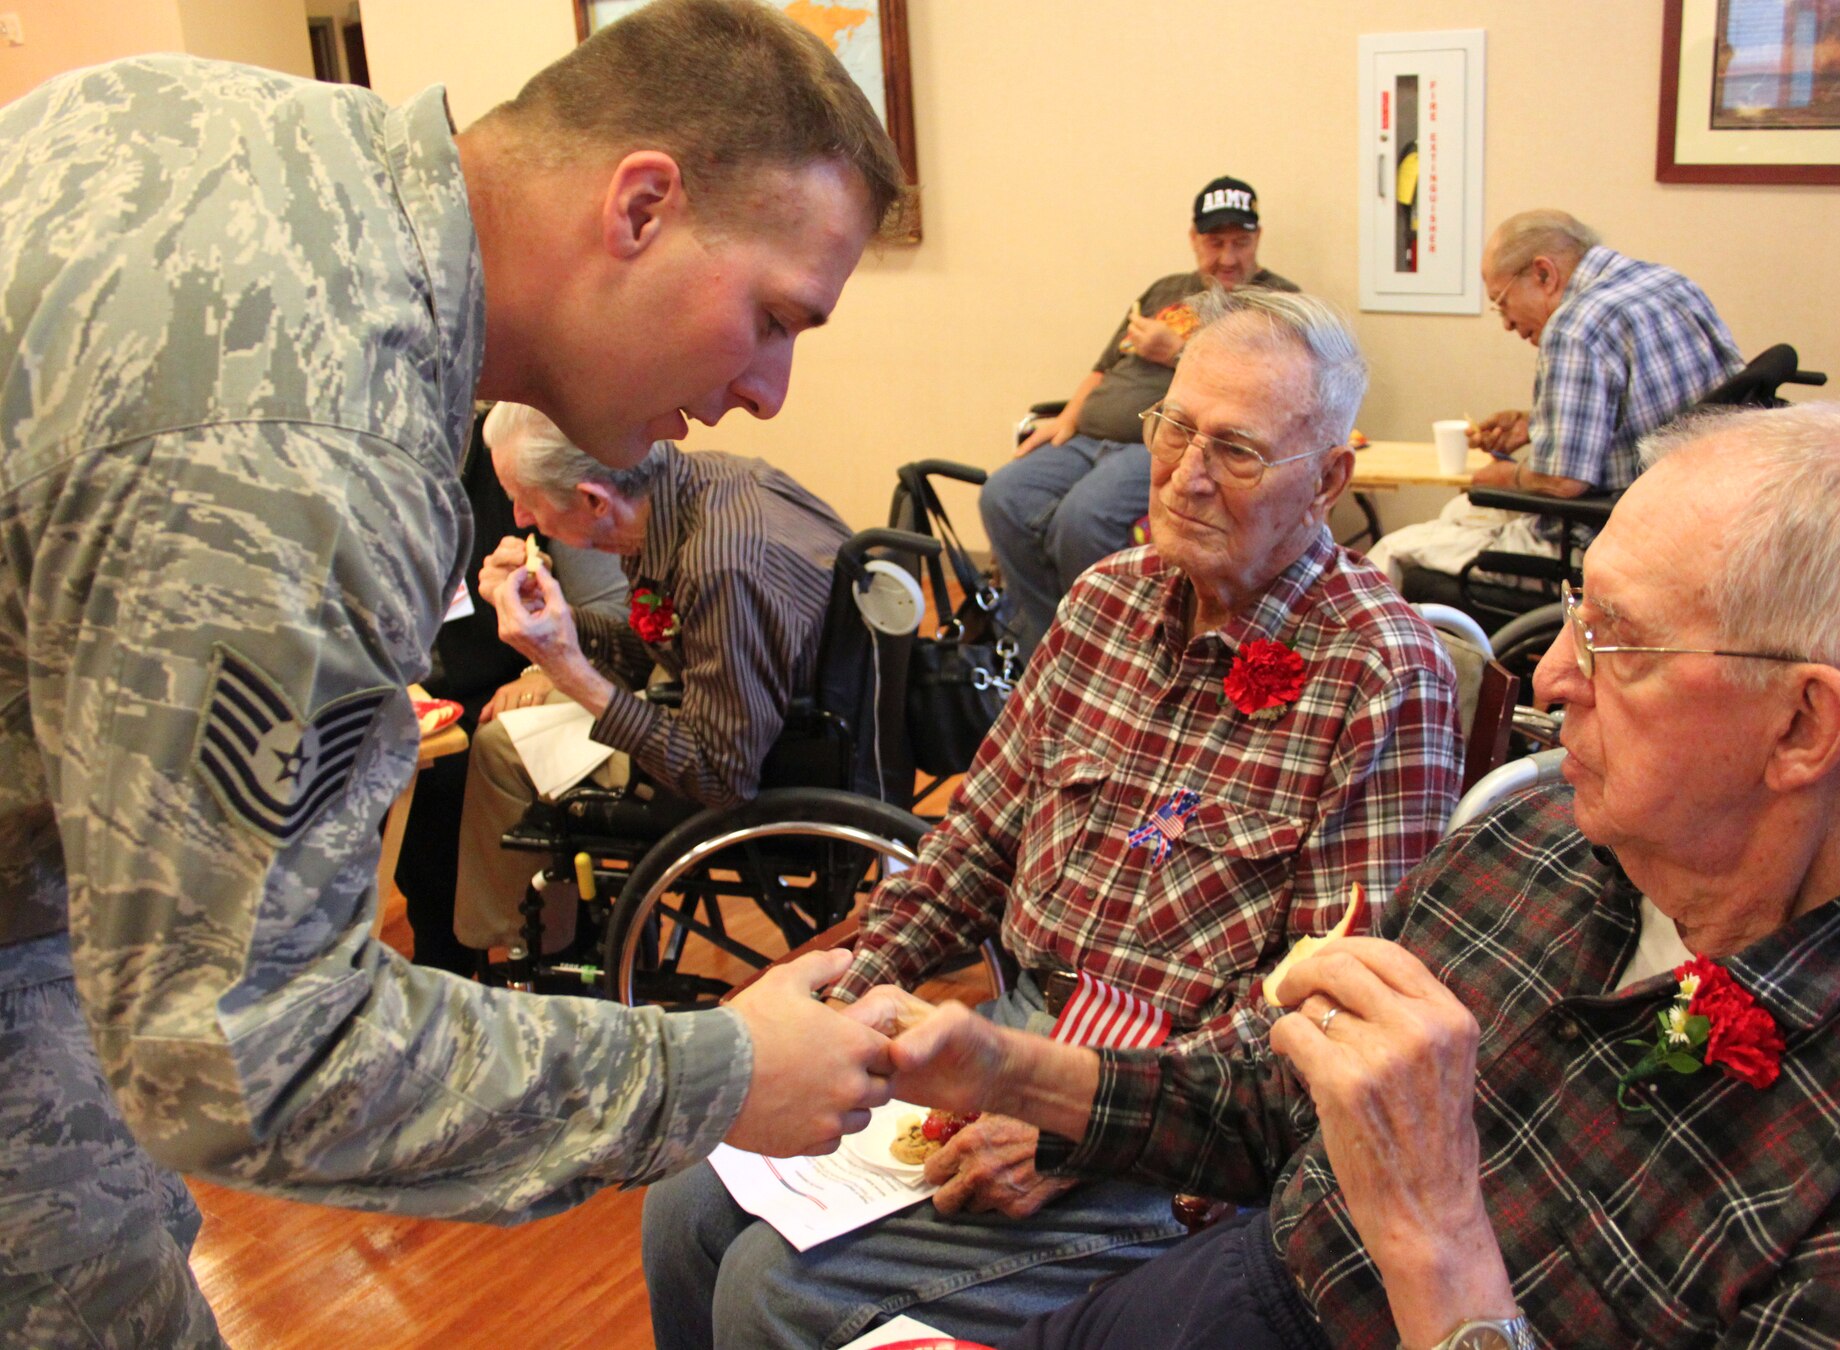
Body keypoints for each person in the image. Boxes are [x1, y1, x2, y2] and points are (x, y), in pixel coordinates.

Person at [0, 2, 907, 1342]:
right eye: (773, 318)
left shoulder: (186, 119)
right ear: (641, 206)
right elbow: (246, 1050)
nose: (767, 390)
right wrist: (719, 1071)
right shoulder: (313, 442)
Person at [884, 401, 1840, 1348]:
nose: (1550, 673)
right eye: (1576, 613)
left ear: (1800, 725)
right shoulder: (1535, 844)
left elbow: (1413, 1213)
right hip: (1233, 1289)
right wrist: (1004, 1068)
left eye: (1617, 638)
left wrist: (1435, 1242)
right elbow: (1277, 1101)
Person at [645, 287, 1465, 1348]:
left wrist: (1075, 1126)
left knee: (776, 1292)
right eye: (1172, 430)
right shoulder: (1104, 603)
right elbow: (969, 849)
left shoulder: (1379, 673)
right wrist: (834, 1004)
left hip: (1180, 1128)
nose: (1186, 474)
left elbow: (1323, 1023)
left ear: (1330, 479)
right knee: (682, 1208)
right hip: (1007, 1037)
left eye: (1239, 451)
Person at [453, 401, 851, 959]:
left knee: (499, 746)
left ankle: (523, 954)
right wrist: (564, 624)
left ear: (594, 500)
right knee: (525, 722)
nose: (518, 517)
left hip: (785, 765)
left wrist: (568, 671)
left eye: (525, 499)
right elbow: (649, 658)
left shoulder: (721, 566)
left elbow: (722, 777)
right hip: (793, 719)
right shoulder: (705, 486)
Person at [980, 176, 1299, 653]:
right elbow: (1104, 367)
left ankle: (1108, 650)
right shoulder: (1164, 290)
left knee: (1082, 520)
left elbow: (1265, 387)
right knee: (1003, 495)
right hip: (1089, 436)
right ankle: (1049, 643)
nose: (1229, 257)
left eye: (1241, 243)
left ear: (1258, 240)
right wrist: (1067, 418)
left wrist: (1176, 349)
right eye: (1216, 243)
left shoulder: (1276, 303)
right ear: (1194, 240)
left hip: (1163, 440)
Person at [1368, 209, 1741, 598]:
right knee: (1459, 515)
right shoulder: (1670, 284)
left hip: (1607, 541)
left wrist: (1507, 477)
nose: (1507, 323)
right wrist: (1537, 424)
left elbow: (1562, 483)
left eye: (1502, 302)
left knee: (1394, 550)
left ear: (1543, 274)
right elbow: (1662, 405)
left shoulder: (1576, 326)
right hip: (1701, 522)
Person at [397, 409, 628, 978]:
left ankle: (469, 957)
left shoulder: (521, 457)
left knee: (446, 779)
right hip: (414, 687)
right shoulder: (378, 476)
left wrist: (541, 669)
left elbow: (610, 616)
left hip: (516, 680)